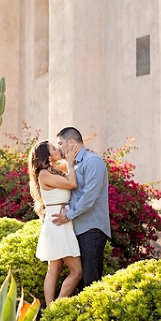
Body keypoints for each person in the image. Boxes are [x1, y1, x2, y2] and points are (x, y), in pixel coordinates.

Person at [51, 126, 111, 289]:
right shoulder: (73, 165)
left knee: (91, 281)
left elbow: (89, 196)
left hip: (91, 229)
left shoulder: (93, 161)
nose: (59, 148)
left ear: (71, 142)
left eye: (60, 143)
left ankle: (93, 315)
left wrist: (69, 215)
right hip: (77, 228)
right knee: (80, 279)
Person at [28, 140, 82, 305]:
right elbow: (72, 183)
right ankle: (55, 308)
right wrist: (70, 162)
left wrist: (69, 160)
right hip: (58, 223)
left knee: (54, 269)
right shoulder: (44, 174)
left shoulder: (53, 171)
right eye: (53, 148)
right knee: (76, 271)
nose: (57, 148)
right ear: (47, 155)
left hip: (58, 220)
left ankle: (49, 314)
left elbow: (72, 175)